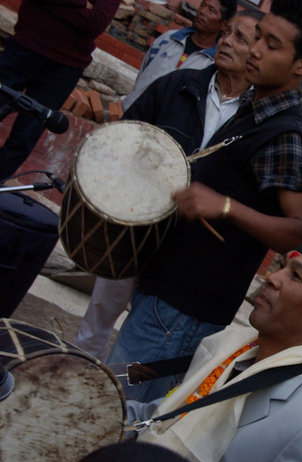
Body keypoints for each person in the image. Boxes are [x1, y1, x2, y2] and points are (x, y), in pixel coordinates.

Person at [106, 0, 302, 402]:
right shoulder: (256, 110)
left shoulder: (286, 136)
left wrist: (225, 206)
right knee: (124, 398)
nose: (257, 49)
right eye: (258, 37)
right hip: (165, 293)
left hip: (183, 311)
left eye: (273, 45)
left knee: (119, 401)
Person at [75, 10, 260, 362]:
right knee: (102, 308)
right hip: (136, 224)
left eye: (240, 38)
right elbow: (124, 137)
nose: (226, 41)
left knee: (146, 342)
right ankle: (77, 370)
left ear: (258, 54)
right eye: (227, 33)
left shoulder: (257, 120)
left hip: (189, 252)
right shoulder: (178, 85)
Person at [127, 223, 302, 462]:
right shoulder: (230, 350)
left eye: (295, 276)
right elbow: (158, 419)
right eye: (282, 266)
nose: (273, 278)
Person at [0, 0, 121, 180]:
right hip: (25, 46)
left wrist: (49, 5)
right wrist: (82, 4)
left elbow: (95, 22)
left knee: (26, 135)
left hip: (66, 66)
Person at [121, 0, 238, 111]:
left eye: (211, 10)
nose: (202, 11)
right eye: (202, 5)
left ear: (223, 24)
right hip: (129, 111)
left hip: (157, 129)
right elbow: (143, 73)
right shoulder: (168, 39)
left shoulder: (212, 65)